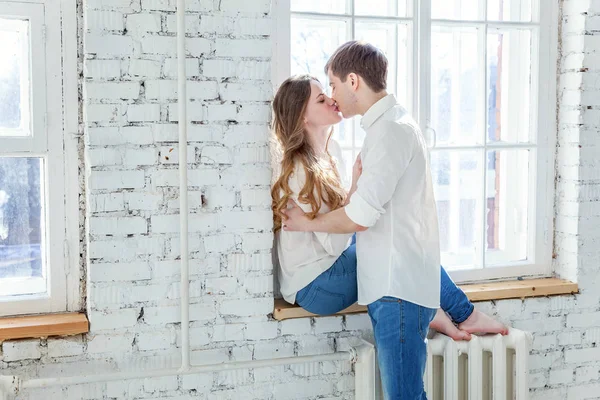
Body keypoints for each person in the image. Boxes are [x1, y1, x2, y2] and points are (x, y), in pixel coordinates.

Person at [278, 42, 507, 400]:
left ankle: (448, 308)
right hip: (321, 279)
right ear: (304, 117)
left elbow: (357, 220)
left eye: (332, 88)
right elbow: (348, 229)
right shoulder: (324, 158)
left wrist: (345, 207)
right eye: (322, 98)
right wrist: (345, 211)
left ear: (353, 81)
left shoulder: (380, 135)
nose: (333, 98)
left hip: (393, 285)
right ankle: (453, 309)